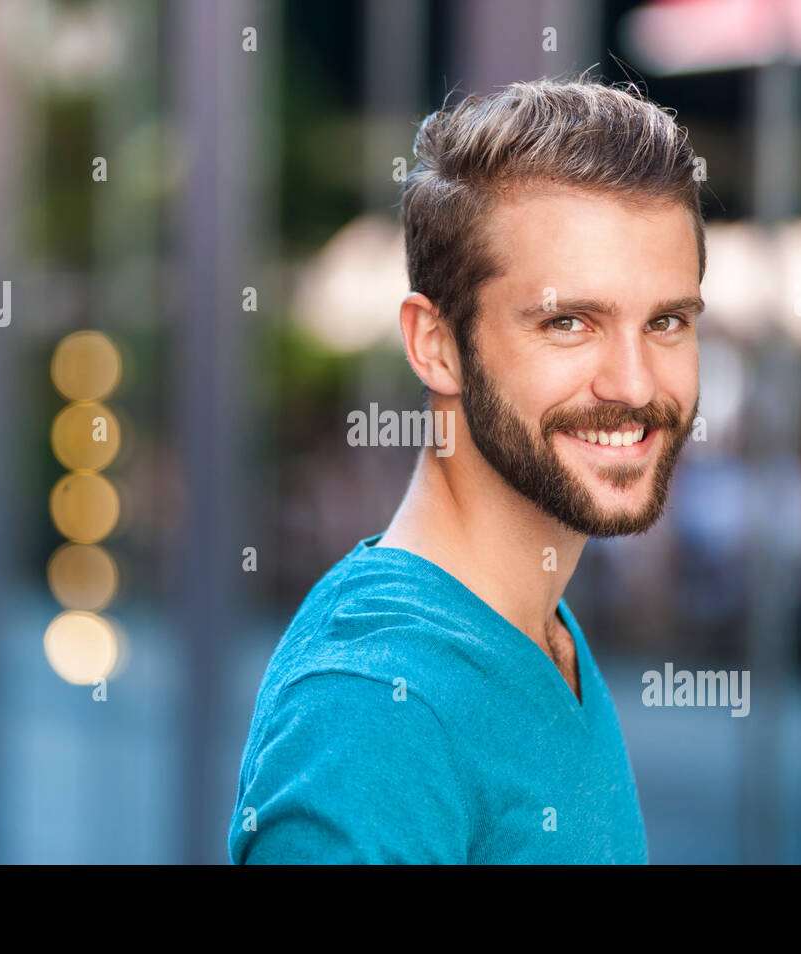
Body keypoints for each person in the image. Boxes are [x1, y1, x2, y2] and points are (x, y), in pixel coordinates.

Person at [230, 76, 704, 863]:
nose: (635, 382)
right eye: (568, 322)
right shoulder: (375, 710)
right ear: (435, 344)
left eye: (665, 321)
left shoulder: (539, 633)